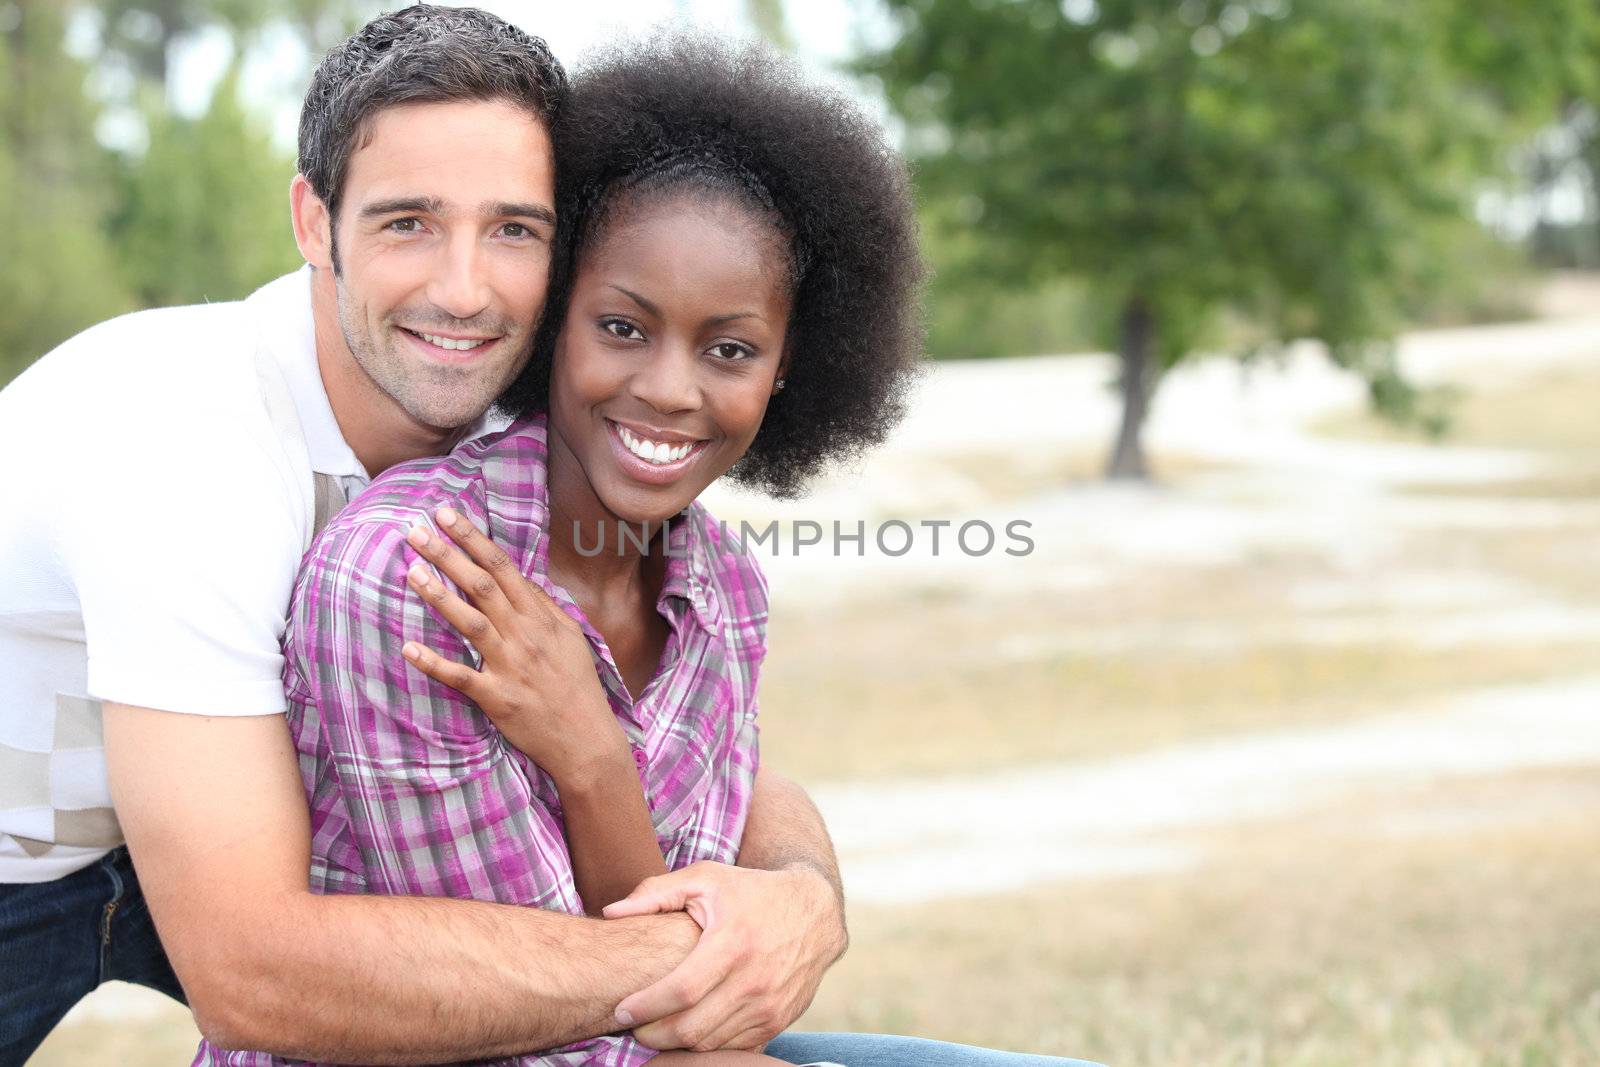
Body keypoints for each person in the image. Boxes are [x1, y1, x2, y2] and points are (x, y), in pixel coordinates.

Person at [214, 30, 1097, 1067]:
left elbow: (690, 961)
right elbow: (558, 1029)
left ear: (785, 371)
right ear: (554, 321)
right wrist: (607, 788)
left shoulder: (722, 590)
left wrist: (622, 778)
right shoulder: (412, 577)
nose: (671, 389)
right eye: (623, 328)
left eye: (728, 348)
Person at [0, 7, 843, 1064]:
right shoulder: (181, 442)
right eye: (407, 222)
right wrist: (719, 949)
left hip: (238, 818)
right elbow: (255, 973)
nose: (463, 288)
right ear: (315, 222)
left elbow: (696, 743)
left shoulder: (496, 396)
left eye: (513, 228)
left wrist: (801, 896)